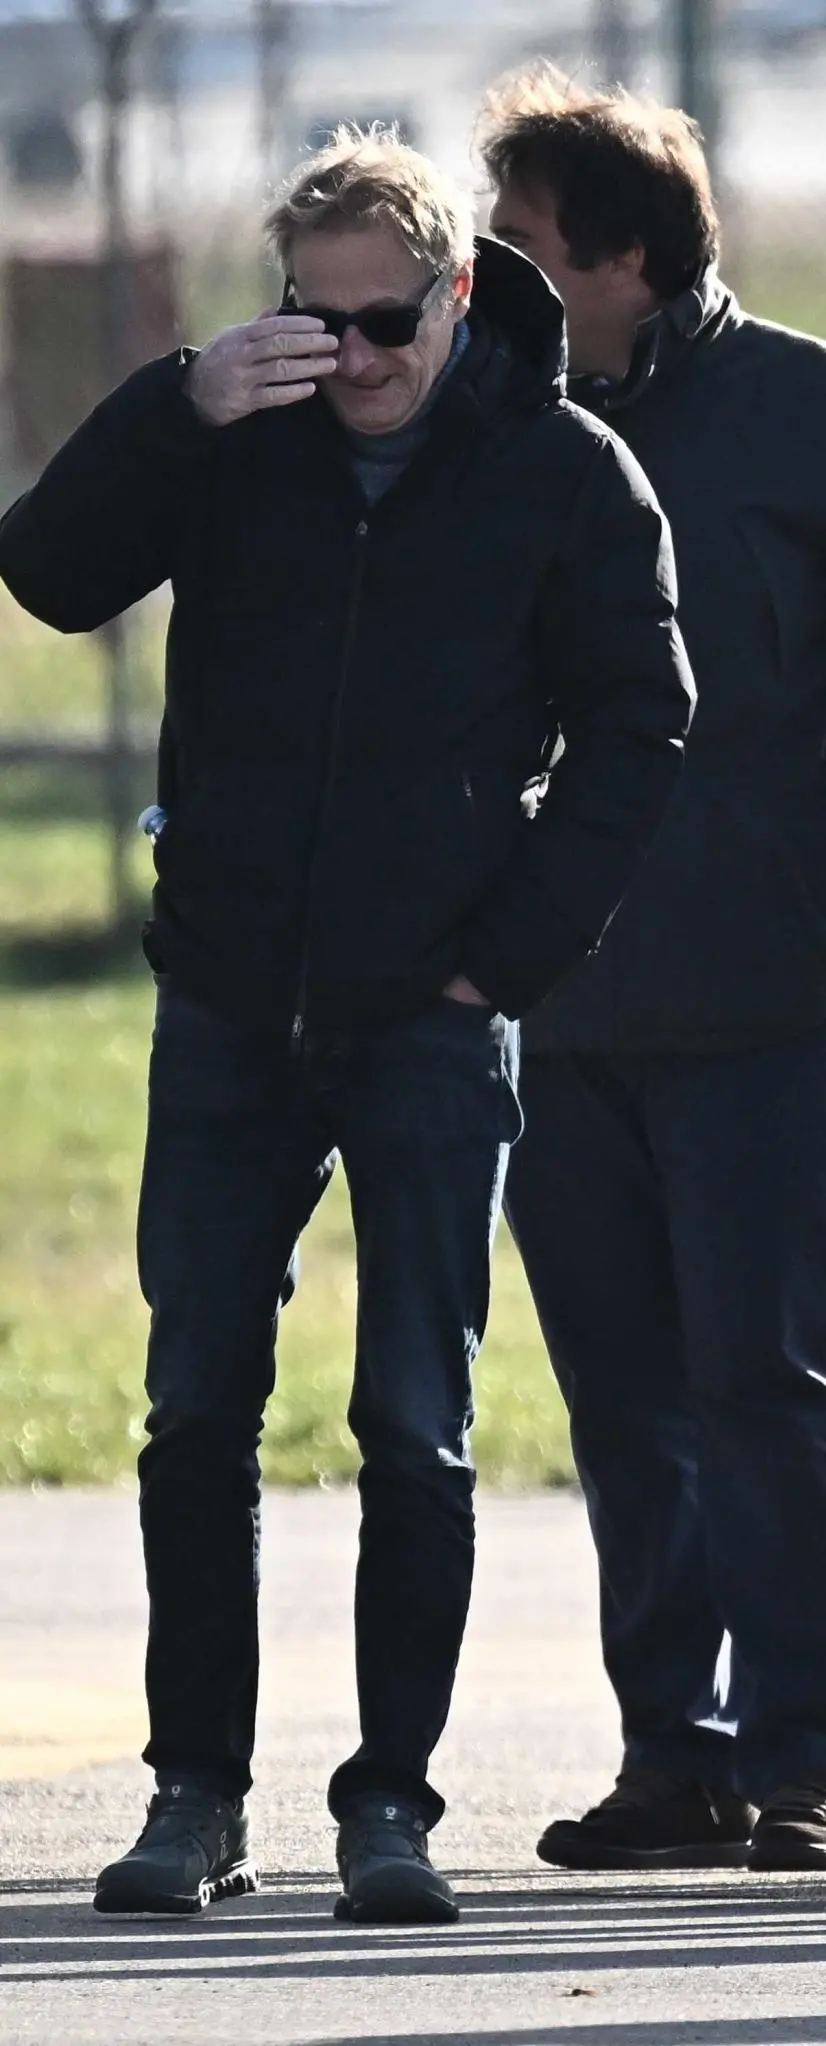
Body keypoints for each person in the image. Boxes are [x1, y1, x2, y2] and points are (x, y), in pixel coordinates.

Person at [0, 129, 693, 1924]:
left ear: (458, 294)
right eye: (314, 324)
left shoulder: (565, 471)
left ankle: (391, 1803)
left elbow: (643, 729)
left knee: (416, 1423)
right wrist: (181, 396)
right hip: (231, 995)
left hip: (432, 1016)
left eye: (385, 325)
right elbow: (51, 571)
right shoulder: (237, 441)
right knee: (191, 1411)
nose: (353, 361)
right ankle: (192, 1796)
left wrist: (508, 956)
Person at [468, 68, 826, 1879]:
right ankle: (670, 1754)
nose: (484, 282)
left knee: (769, 1381)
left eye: (516, 246)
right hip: (558, 1006)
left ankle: (807, 1758)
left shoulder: (815, 411)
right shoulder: (494, 422)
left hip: (769, 996)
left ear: (625, 255)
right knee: (623, 1397)